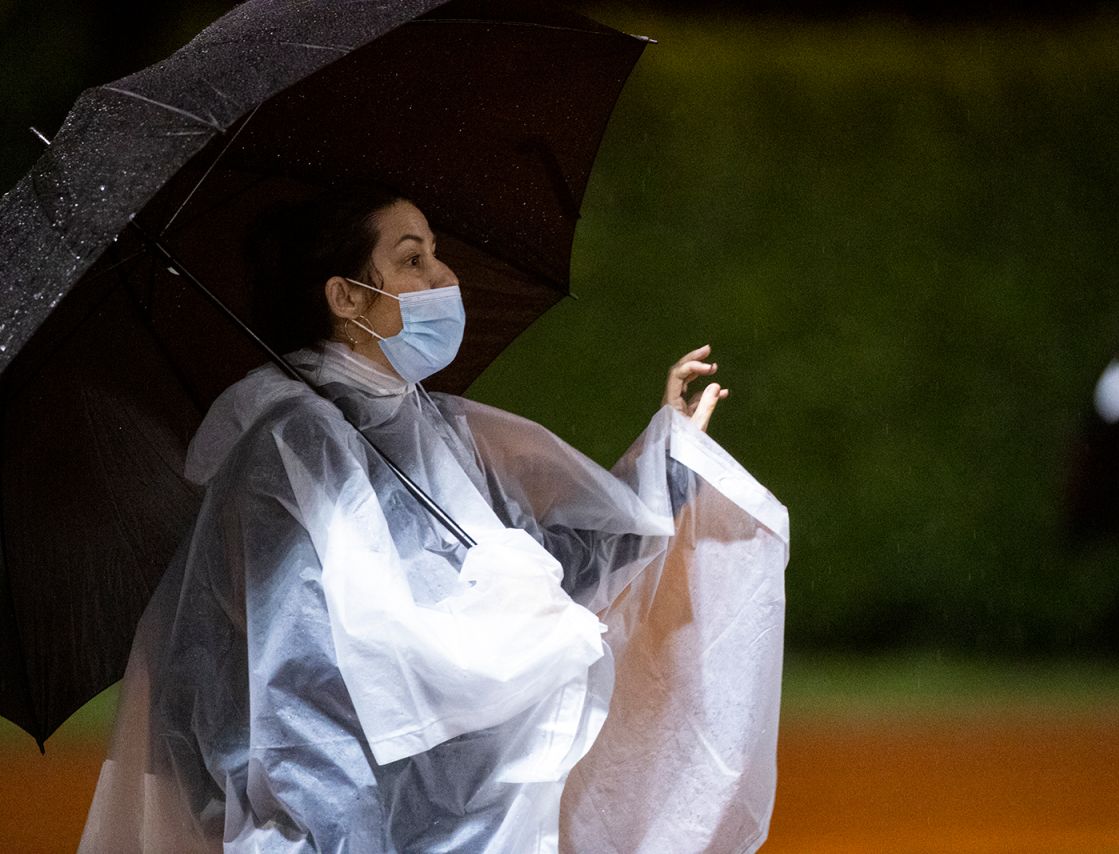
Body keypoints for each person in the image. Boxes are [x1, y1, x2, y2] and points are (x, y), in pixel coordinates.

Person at [78, 184, 789, 853]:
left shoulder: (424, 426)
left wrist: (670, 458)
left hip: (446, 821)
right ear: (347, 297)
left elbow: (542, 576)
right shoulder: (292, 446)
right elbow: (299, 696)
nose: (444, 276)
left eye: (434, 251)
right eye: (412, 259)